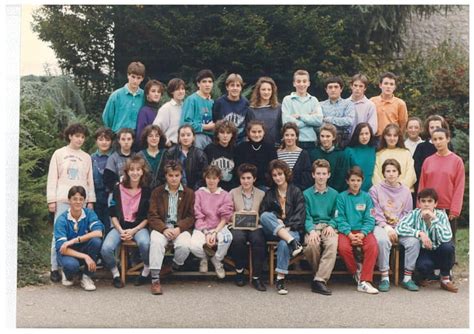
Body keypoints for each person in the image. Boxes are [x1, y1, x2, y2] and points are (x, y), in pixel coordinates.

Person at [47, 123, 95, 282]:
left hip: (81, 200)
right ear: (70, 136)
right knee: (58, 234)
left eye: (82, 137)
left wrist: (90, 200)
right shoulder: (59, 154)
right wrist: (51, 200)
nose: (79, 139)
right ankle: (54, 267)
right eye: (77, 136)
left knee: (79, 233)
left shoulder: (87, 157)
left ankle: (75, 266)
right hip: (62, 198)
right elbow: (52, 178)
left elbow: (90, 181)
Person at [101, 156, 151, 288]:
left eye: (138, 169)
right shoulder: (118, 188)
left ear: (142, 171)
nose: (135, 173)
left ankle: (146, 270)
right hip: (120, 227)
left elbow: (147, 217)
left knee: (145, 243)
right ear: (127, 172)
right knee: (106, 248)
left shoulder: (146, 190)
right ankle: (116, 274)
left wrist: (134, 230)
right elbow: (112, 213)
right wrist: (121, 231)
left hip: (138, 227)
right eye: (132, 169)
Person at [396, 188, 458, 293]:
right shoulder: (415, 214)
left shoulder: (441, 215)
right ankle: (423, 276)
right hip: (423, 251)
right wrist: (420, 233)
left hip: (439, 250)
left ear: (435, 203)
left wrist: (433, 220)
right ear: (419, 203)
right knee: (424, 266)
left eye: (430, 201)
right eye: (423, 201)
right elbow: (399, 227)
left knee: (448, 247)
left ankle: (445, 279)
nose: (426, 204)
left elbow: (447, 236)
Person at [148, 160, 195, 295]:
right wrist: (164, 229)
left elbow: (191, 217)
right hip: (161, 228)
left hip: (179, 229)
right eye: (170, 175)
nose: (174, 178)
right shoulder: (157, 192)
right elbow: (152, 215)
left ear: (181, 176)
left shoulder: (189, 193)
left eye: (176, 175)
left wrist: (179, 228)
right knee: (156, 243)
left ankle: (173, 266)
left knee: (184, 245)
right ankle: (155, 280)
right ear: (166, 176)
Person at [259, 160, 305, 295]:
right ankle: (293, 243)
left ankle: (280, 279)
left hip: (293, 230)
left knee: (284, 244)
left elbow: (300, 215)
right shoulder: (270, 193)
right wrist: (276, 219)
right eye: (274, 175)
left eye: (280, 174)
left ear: (286, 174)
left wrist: (288, 227)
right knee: (265, 216)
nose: (278, 178)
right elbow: (263, 213)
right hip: (274, 230)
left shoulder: (296, 191)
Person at [369, 159, 413, 292]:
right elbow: (375, 212)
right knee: (382, 240)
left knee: (414, 241)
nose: (391, 174)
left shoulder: (406, 191)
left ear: (399, 173)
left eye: (394, 171)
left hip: (400, 226)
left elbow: (408, 214)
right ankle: (384, 276)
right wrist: (387, 228)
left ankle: (407, 277)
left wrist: (398, 229)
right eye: (388, 171)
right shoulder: (375, 190)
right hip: (381, 225)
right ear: (383, 173)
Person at [336, 166, 379, 294]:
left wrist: (362, 233)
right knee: (343, 249)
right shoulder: (341, 197)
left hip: (363, 231)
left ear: (362, 181)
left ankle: (365, 280)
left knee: (372, 247)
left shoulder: (366, 197)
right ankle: (356, 272)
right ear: (347, 181)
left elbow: (370, 218)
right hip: (347, 232)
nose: (355, 183)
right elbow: (340, 218)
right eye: (353, 180)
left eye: (358, 180)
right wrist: (349, 234)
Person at [419, 128, 465, 244]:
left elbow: (459, 187)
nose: (438, 142)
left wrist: (455, 210)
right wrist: (420, 206)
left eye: (441, 138)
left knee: (448, 241)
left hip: (448, 208)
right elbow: (422, 185)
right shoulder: (428, 161)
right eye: (435, 139)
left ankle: (450, 261)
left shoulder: (456, 161)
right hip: (430, 206)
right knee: (431, 236)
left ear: (448, 139)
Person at [54, 186, 104, 291]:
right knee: (72, 265)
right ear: (69, 200)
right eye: (74, 199)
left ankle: (86, 276)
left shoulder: (89, 213)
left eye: (81, 199)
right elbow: (61, 248)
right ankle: (68, 273)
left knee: (96, 241)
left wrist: (75, 240)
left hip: (82, 247)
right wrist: (85, 256)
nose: (78, 202)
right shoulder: (62, 219)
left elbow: (98, 232)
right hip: (68, 253)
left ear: (84, 201)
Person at [189, 165, 234, 279]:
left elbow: (225, 217)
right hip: (202, 227)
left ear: (219, 179)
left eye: (214, 178)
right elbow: (198, 214)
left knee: (227, 239)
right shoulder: (199, 193)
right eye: (209, 178)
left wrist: (214, 232)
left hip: (219, 226)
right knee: (193, 245)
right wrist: (207, 233)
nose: (211, 181)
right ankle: (204, 258)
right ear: (205, 178)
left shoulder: (225, 195)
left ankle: (216, 260)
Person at [228, 163, 267, 291]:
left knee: (258, 240)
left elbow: (265, 213)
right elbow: (227, 212)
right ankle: (239, 271)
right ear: (239, 179)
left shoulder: (262, 194)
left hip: (255, 225)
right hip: (238, 225)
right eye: (243, 178)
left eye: (249, 178)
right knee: (238, 239)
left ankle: (256, 276)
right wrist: (238, 215)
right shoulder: (233, 193)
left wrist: (255, 215)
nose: (246, 181)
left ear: (254, 179)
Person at [303, 159, 338, 295]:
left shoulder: (335, 194)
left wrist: (331, 225)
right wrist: (311, 230)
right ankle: (319, 277)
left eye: (324, 174)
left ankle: (319, 279)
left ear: (329, 175)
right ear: (313, 175)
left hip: (329, 226)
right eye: (318, 173)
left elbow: (337, 215)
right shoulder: (306, 194)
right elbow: (305, 216)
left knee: (332, 244)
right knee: (311, 245)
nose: (321, 177)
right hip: (313, 226)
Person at [281, 69, 323, 150]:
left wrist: (300, 116)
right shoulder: (287, 100)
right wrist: (309, 119)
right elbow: (286, 123)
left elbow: (318, 121)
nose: (301, 84)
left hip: (311, 141)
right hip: (294, 141)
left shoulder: (314, 100)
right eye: (298, 81)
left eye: (304, 81)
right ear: (294, 83)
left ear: (309, 83)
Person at [159, 124, 208, 190]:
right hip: (173, 189)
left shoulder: (200, 154)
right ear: (179, 138)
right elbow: (164, 173)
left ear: (193, 137)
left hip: (194, 191)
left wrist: (194, 190)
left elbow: (203, 176)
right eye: (182, 135)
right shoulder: (170, 153)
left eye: (188, 135)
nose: (185, 138)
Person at [308, 123, 354, 192]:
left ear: (334, 137)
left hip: (335, 193)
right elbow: (310, 175)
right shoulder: (313, 154)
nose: (325, 139)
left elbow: (342, 177)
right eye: (322, 136)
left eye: (328, 136)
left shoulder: (341, 155)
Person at [102, 61, 146, 133]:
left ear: (142, 79)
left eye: (138, 78)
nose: (135, 81)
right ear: (128, 75)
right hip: (118, 136)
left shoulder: (144, 96)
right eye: (133, 77)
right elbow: (107, 118)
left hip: (137, 138)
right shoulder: (116, 95)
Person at [372, 124, 416, 192]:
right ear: (384, 137)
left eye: (395, 135)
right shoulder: (378, 154)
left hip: (404, 193)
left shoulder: (406, 153)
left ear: (399, 137)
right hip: (383, 193)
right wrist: (386, 189)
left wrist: (399, 189)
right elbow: (375, 176)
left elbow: (411, 175)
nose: (392, 138)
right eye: (389, 135)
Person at [234, 120, 277, 190]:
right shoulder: (241, 148)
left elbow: (272, 169)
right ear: (248, 133)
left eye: (259, 132)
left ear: (264, 132)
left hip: (264, 185)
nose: (257, 135)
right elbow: (238, 169)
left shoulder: (270, 148)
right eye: (253, 132)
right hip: (244, 184)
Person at [413, 114, 451, 193]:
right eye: (432, 127)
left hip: (445, 188)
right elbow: (416, 170)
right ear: (428, 129)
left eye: (437, 127)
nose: (434, 130)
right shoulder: (421, 147)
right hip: (426, 190)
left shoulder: (448, 146)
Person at [212, 73, 254, 144]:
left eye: (238, 85)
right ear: (227, 87)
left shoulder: (246, 103)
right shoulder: (219, 102)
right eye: (232, 85)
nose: (235, 88)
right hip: (223, 140)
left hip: (240, 140)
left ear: (241, 88)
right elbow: (215, 120)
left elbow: (248, 122)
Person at [180, 69, 215, 149]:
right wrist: (205, 127)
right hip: (196, 137)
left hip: (211, 138)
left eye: (210, 82)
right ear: (198, 84)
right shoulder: (191, 100)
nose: (207, 84)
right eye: (204, 81)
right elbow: (185, 124)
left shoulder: (212, 102)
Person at [320, 76, 355, 148]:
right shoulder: (320, 105)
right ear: (326, 90)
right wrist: (340, 121)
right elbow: (318, 123)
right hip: (324, 141)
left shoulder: (348, 104)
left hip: (343, 141)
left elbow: (349, 121)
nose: (333, 90)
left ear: (341, 89)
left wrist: (328, 119)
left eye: (336, 87)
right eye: (330, 87)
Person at [370, 72, 408, 138]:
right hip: (375, 138)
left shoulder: (400, 103)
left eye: (391, 84)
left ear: (395, 87)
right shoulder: (372, 101)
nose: (388, 86)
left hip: (392, 138)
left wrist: (398, 138)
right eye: (386, 83)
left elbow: (403, 124)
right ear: (380, 85)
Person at [91, 127, 114, 236]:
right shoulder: (90, 158)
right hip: (95, 197)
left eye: (107, 139)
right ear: (96, 141)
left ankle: (108, 251)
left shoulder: (114, 157)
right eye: (101, 139)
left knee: (109, 225)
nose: (104, 142)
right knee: (95, 226)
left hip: (111, 197)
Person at [277, 122, 312, 190]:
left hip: (298, 192)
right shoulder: (277, 153)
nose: (289, 138)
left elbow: (307, 178)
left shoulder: (304, 154)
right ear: (283, 137)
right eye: (287, 135)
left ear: (296, 137)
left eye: (292, 135)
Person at [248, 76, 282, 148]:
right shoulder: (251, 109)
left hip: (275, 146)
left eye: (269, 89)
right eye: (263, 89)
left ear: (273, 91)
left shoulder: (279, 108)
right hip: (257, 147)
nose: (266, 92)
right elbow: (248, 130)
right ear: (258, 91)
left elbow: (281, 128)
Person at [204, 120, 238, 191]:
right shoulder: (209, 149)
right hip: (213, 188)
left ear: (232, 135)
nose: (225, 136)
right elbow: (205, 170)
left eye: (228, 133)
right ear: (217, 134)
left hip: (231, 188)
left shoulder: (236, 150)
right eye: (222, 132)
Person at [154, 78, 186, 147]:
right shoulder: (166, 108)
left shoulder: (186, 107)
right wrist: (167, 141)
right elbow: (156, 128)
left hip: (185, 146)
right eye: (177, 89)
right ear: (172, 91)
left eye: (182, 89)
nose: (181, 91)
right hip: (171, 147)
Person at [346, 122, 377, 192]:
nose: (364, 137)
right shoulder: (349, 151)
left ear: (370, 134)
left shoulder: (374, 150)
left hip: (372, 190)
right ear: (357, 135)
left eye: (367, 133)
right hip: (354, 190)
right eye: (361, 134)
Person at [103, 127, 135, 193]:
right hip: (117, 192)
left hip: (134, 192)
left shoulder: (137, 157)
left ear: (133, 140)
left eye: (129, 139)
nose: (126, 142)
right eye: (123, 139)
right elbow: (108, 180)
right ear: (119, 141)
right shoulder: (113, 158)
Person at [136, 124, 166, 189]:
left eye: (157, 136)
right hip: (144, 191)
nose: (154, 138)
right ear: (146, 138)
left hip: (163, 192)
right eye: (150, 136)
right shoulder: (139, 156)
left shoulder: (166, 154)